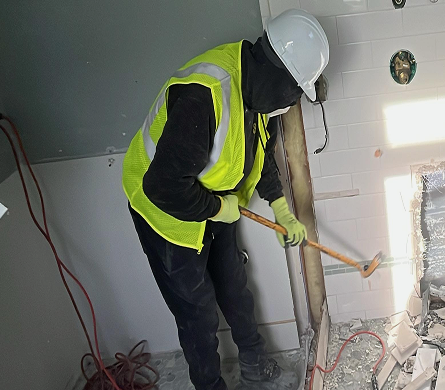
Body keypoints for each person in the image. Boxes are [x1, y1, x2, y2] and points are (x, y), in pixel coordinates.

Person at [121, 9, 329, 390]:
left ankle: (252, 361)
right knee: (197, 312)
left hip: (213, 201)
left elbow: (259, 153)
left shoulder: (258, 89)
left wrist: (280, 208)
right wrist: (219, 208)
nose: (291, 104)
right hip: (165, 214)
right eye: (294, 93)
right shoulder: (205, 95)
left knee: (233, 283)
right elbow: (162, 186)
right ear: (278, 75)